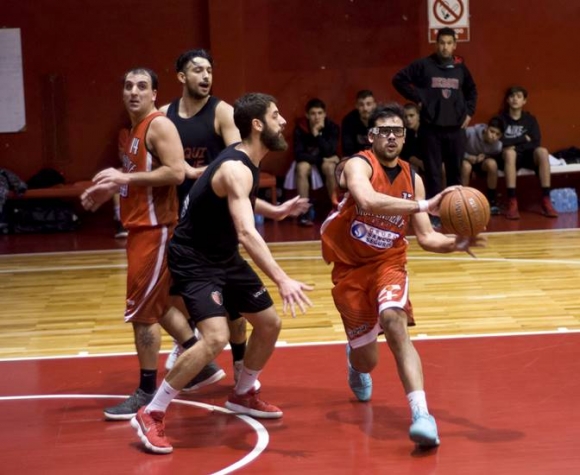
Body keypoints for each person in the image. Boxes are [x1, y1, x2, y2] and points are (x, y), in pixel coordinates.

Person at [130, 92, 313, 454]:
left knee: (269, 323)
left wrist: (274, 212)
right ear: (258, 125)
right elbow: (246, 231)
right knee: (214, 337)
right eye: (277, 116)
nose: (284, 122)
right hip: (195, 259)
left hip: (222, 255)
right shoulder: (235, 167)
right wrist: (282, 278)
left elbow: (238, 198)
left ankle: (243, 392)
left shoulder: (244, 164)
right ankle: (152, 412)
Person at [320, 103, 485, 448]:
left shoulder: (415, 178)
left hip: (388, 263)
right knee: (368, 361)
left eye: (398, 131)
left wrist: (455, 243)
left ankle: (422, 415)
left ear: (405, 137)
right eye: (384, 131)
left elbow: (425, 237)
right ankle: (355, 360)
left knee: (394, 320)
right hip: (349, 269)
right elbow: (366, 201)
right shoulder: (358, 164)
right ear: (372, 136)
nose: (392, 137)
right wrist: (423, 206)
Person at [81, 67, 198, 421]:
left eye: (142, 86)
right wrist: (111, 188)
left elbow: (176, 172)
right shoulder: (131, 130)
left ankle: (147, 391)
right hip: (140, 230)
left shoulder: (158, 125)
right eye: (128, 85)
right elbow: (138, 180)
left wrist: (124, 176)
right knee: (156, 305)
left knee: (142, 316)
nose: (134, 91)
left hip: (156, 230)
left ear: (154, 94)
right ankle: (199, 357)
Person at [159, 48, 249, 389]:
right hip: (176, 219)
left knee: (233, 307)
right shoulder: (164, 115)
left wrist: (197, 171)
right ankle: (188, 346)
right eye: (198, 70)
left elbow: (238, 158)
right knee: (172, 294)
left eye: (210, 70)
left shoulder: (223, 112)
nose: (206, 76)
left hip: (216, 220)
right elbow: (156, 164)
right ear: (182, 77)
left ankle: (239, 369)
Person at [392, 27, 478, 206]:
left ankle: (455, 209)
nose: (445, 47)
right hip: (431, 129)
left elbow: (472, 90)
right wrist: (417, 98)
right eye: (441, 43)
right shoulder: (424, 65)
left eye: (449, 43)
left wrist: (469, 112)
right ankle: (435, 211)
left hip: (455, 129)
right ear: (436, 44)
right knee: (433, 174)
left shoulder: (460, 68)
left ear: (454, 45)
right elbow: (398, 79)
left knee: (455, 172)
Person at [499, 85, 558, 220]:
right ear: (507, 100)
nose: (515, 99)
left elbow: (536, 142)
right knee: (510, 153)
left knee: (543, 152)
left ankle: (546, 200)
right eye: (512, 96)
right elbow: (499, 142)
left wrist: (515, 145)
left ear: (524, 101)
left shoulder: (530, 120)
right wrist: (522, 139)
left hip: (526, 156)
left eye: (519, 97)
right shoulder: (500, 119)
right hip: (508, 159)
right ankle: (512, 201)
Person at [291, 98, 340, 226]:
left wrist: (317, 134)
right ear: (307, 115)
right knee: (301, 167)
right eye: (313, 113)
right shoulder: (300, 129)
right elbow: (299, 154)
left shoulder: (331, 127)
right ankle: (304, 211)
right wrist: (321, 159)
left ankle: (336, 209)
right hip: (310, 161)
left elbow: (330, 151)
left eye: (319, 113)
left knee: (330, 167)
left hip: (325, 164)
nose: (317, 117)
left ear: (325, 114)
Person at [461, 116, 504, 215]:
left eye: (497, 134)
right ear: (486, 129)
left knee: (492, 164)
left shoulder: (498, 146)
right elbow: (455, 148)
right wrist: (467, 156)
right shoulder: (470, 132)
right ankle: (463, 201)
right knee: (466, 167)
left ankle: (491, 201)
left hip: (481, 164)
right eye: (492, 131)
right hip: (465, 160)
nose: (493, 136)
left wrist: (485, 156)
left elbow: (495, 156)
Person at [341, 90, 377, 158]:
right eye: (361, 105)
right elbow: (347, 150)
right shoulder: (349, 121)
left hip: (378, 157)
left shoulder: (381, 119)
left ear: (374, 105)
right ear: (356, 106)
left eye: (368, 104)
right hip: (356, 158)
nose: (365, 108)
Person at [113, 128, 130, 238]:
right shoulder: (125, 132)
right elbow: (123, 156)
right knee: (118, 176)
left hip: (152, 169)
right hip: (131, 167)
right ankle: (121, 222)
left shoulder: (156, 128)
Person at [400, 103, 424, 173]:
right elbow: (405, 153)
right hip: (415, 165)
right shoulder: (406, 133)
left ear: (418, 116)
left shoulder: (427, 132)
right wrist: (419, 162)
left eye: (411, 115)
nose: (408, 119)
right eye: (405, 117)